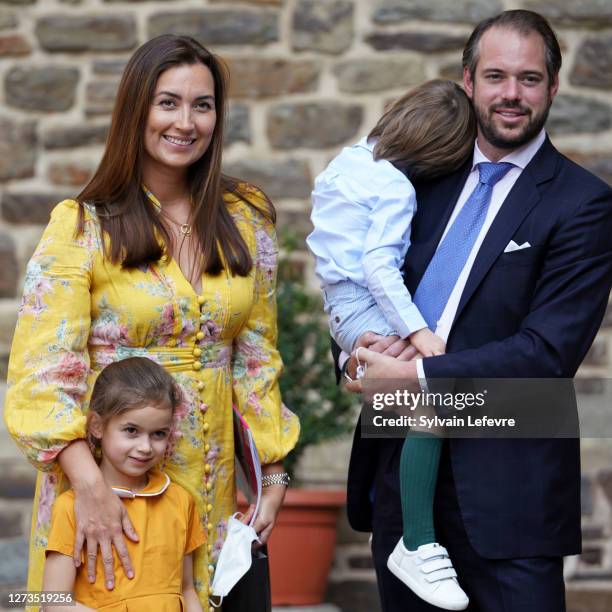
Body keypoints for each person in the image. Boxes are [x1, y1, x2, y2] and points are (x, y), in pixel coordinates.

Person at [4, 34, 299, 609]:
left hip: (215, 499)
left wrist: (274, 473)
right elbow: (42, 379)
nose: (185, 122)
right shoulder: (81, 226)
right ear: (135, 109)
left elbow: (258, 360)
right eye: (168, 102)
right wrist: (90, 489)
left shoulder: (247, 218)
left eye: (202, 105)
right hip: (111, 495)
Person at [339, 9, 612, 612]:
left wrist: (412, 377)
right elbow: (365, 285)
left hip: (507, 499)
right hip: (401, 484)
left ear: (554, 86)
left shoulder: (583, 204)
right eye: (495, 76)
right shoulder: (418, 182)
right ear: (468, 81)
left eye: (529, 79)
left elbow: (546, 355)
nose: (511, 94)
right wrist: (356, 357)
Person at [307, 79, 476, 610]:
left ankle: (415, 539)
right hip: (366, 306)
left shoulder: (348, 161)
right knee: (431, 401)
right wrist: (419, 335)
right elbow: (379, 266)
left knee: (414, 403)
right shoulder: (398, 188)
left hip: (339, 306)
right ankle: (417, 539)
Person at [43, 357, 204, 611]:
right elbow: (53, 603)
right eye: (131, 430)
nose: (145, 447)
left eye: (159, 434)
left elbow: (186, 589)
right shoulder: (71, 507)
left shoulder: (181, 501)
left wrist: (273, 480)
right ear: (97, 425)